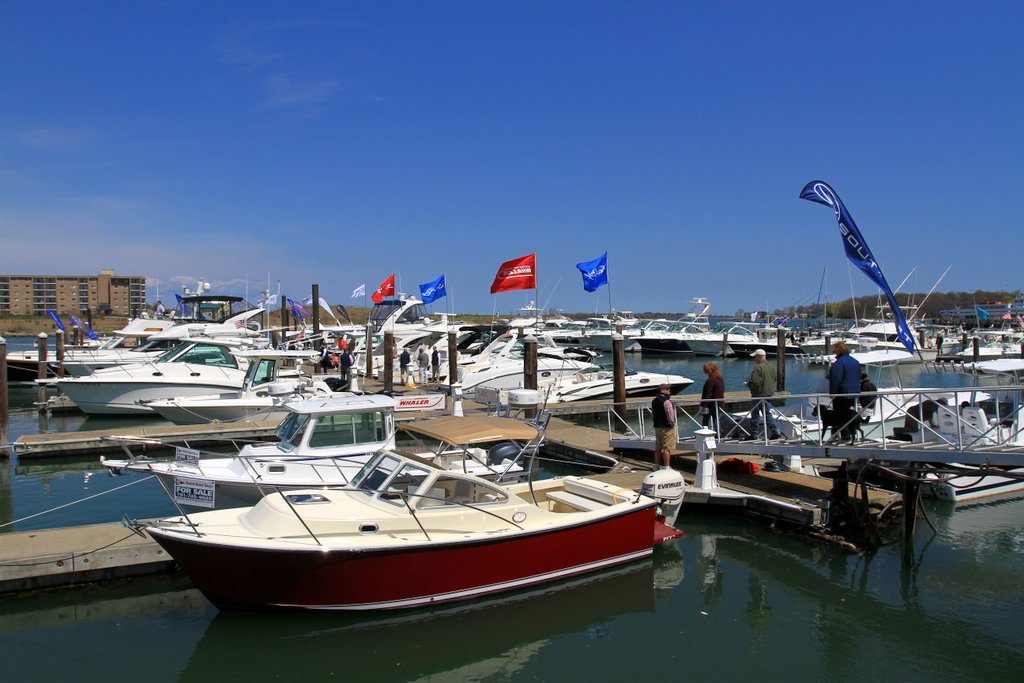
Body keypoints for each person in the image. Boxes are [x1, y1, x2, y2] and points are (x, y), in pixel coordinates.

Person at [828, 341, 861, 443]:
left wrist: (832, 393)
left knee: (839, 415)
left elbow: (836, 379)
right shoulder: (855, 361)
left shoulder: (839, 363)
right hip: (854, 392)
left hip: (842, 393)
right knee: (848, 414)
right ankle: (850, 434)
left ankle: (844, 436)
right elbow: (858, 376)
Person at [746, 349, 780, 439]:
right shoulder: (771, 367)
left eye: (755, 357)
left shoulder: (758, 368)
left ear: (759, 357)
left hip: (758, 394)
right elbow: (775, 378)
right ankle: (775, 430)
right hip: (768, 393)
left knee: (755, 414)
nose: (754, 359)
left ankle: (754, 434)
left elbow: (755, 382)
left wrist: (748, 384)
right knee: (767, 413)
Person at [651, 383, 677, 469]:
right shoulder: (666, 401)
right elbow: (670, 415)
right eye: (668, 389)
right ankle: (667, 466)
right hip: (666, 427)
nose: (669, 390)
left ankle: (656, 465)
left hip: (657, 426)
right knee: (667, 448)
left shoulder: (654, 400)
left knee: (658, 447)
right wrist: (672, 424)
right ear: (663, 390)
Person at [700, 362, 725, 434]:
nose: (706, 373)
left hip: (711, 404)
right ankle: (719, 433)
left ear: (710, 370)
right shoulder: (720, 378)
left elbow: (708, 393)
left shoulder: (710, 380)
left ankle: (703, 433)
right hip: (719, 402)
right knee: (716, 419)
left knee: (705, 419)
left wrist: (704, 405)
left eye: (706, 371)